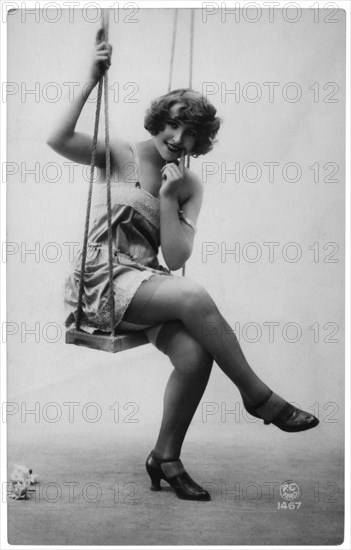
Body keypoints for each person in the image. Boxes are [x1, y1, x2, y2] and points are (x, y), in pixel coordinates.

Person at [47, 32, 319, 502]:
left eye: (192, 134)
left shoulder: (189, 184)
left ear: (202, 139)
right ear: (159, 121)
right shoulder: (120, 154)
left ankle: (165, 458)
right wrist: (91, 80)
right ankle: (259, 398)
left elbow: (175, 259)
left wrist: (170, 199)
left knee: (194, 358)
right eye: (173, 126)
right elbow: (57, 139)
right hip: (102, 283)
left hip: (148, 282)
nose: (179, 139)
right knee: (192, 297)